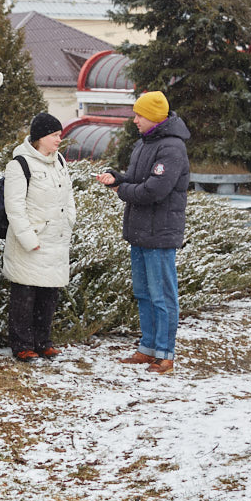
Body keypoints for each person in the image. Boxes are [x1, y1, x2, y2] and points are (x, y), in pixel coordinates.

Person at [95, 91, 190, 374]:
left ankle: (165, 355)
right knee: (144, 293)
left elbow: (155, 190)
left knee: (162, 295)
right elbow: (140, 181)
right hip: (140, 233)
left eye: (139, 115)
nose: (134, 120)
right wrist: (118, 178)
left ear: (153, 117)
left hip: (160, 235)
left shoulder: (172, 148)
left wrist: (120, 189)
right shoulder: (145, 144)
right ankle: (148, 349)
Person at [2, 112, 76, 362]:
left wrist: (69, 221)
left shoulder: (60, 162)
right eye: (55, 135)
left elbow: (68, 196)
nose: (59, 140)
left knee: (48, 294)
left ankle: (44, 342)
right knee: (25, 295)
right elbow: (14, 208)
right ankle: (22, 344)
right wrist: (28, 239)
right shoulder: (19, 165)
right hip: (31, 242)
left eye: (59, 135)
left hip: (56, 240)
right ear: (41, 137)